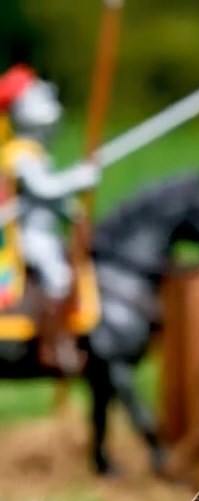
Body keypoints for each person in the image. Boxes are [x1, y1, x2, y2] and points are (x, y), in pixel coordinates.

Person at [0, 65, 99, 374]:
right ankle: (53, 344)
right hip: (29, 236)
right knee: (59, 277)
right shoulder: (18, 153)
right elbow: (44, 188)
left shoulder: (36, 152)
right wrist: (79, 178)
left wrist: (69, 211)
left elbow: (46, 198)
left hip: (43, 229)